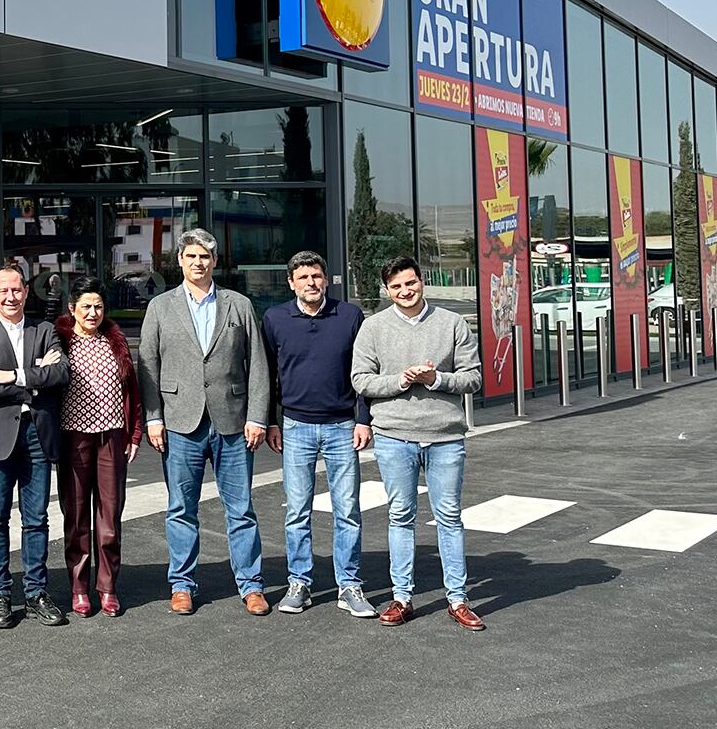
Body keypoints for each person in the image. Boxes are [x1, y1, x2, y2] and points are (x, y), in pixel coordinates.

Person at [138, 229, 271, 617]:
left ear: (215, 261)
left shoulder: (239, 304)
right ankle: (182, 584)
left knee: (241, 508)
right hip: (180, 422)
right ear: (179, 260)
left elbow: (258, 365)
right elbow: (148, 365)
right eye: (192, 256)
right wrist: (153, 418)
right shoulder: (161, 307)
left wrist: (258, 416)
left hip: (232, 421)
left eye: (206, 257)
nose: (199, 263)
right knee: (181, 508)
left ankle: (251, 585)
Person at [352, 255, 485, 630]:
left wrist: (436, 379)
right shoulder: (373, 328)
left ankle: (457, 599)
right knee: (400, 516)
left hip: (444, 437)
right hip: (394, 436)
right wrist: (400, 381)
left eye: (410, 283)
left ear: (421, 281)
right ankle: (401, 597)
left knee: (449, 517)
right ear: (386, 290)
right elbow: (360, 380)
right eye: (396, 287)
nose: (405, 291)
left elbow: (473, 378)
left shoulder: (452, 323)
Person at [260, 251, 377, 619]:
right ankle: (300, 582)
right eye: (304, 277)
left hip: (343, 425)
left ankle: (350, 585)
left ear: (325, 279)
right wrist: (272, 422)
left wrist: (363, 419)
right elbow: (267, 376)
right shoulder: (275, 319)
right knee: (297, 511)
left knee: (348, 511)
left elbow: (363, 373)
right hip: (295, 426)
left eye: (317, 276)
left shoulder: (349, 316)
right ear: (291, 282)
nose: (312, 282)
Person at [0, 262, 69, 628]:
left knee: (36, 519)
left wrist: (11, 375)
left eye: (17, 289)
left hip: (37, 435)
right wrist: (34, 378)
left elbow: (60, 374)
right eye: (4, 291)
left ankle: (36, 593)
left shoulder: (45, 330)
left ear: (27, 291)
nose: (11, 296)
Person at [54, 277, 143, 617]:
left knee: (109, 515)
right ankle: (78, 587)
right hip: (73, 437)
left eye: (98, 306)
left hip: (112, 436)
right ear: (72, 309)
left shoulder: (115, 341)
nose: (93, 313)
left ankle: (107, 587)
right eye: (86, 306)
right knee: (76, 516)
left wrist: (134, 434)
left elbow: (132, 392)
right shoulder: (59, 341)